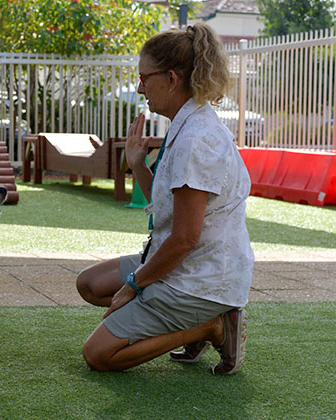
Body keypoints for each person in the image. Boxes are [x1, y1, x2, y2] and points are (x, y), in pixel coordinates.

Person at [76, 23, 254, 374]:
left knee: (98, 355)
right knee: (90, 284)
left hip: (201, 279)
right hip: (184, 262)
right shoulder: (187, 123)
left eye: (145, 77)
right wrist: (138, 164)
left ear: (172, 79)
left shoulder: (196, 138)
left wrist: (134, 284)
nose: (140, 87)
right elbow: (171, 208)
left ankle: (211, 325)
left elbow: (185, 238)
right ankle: (190, 323)